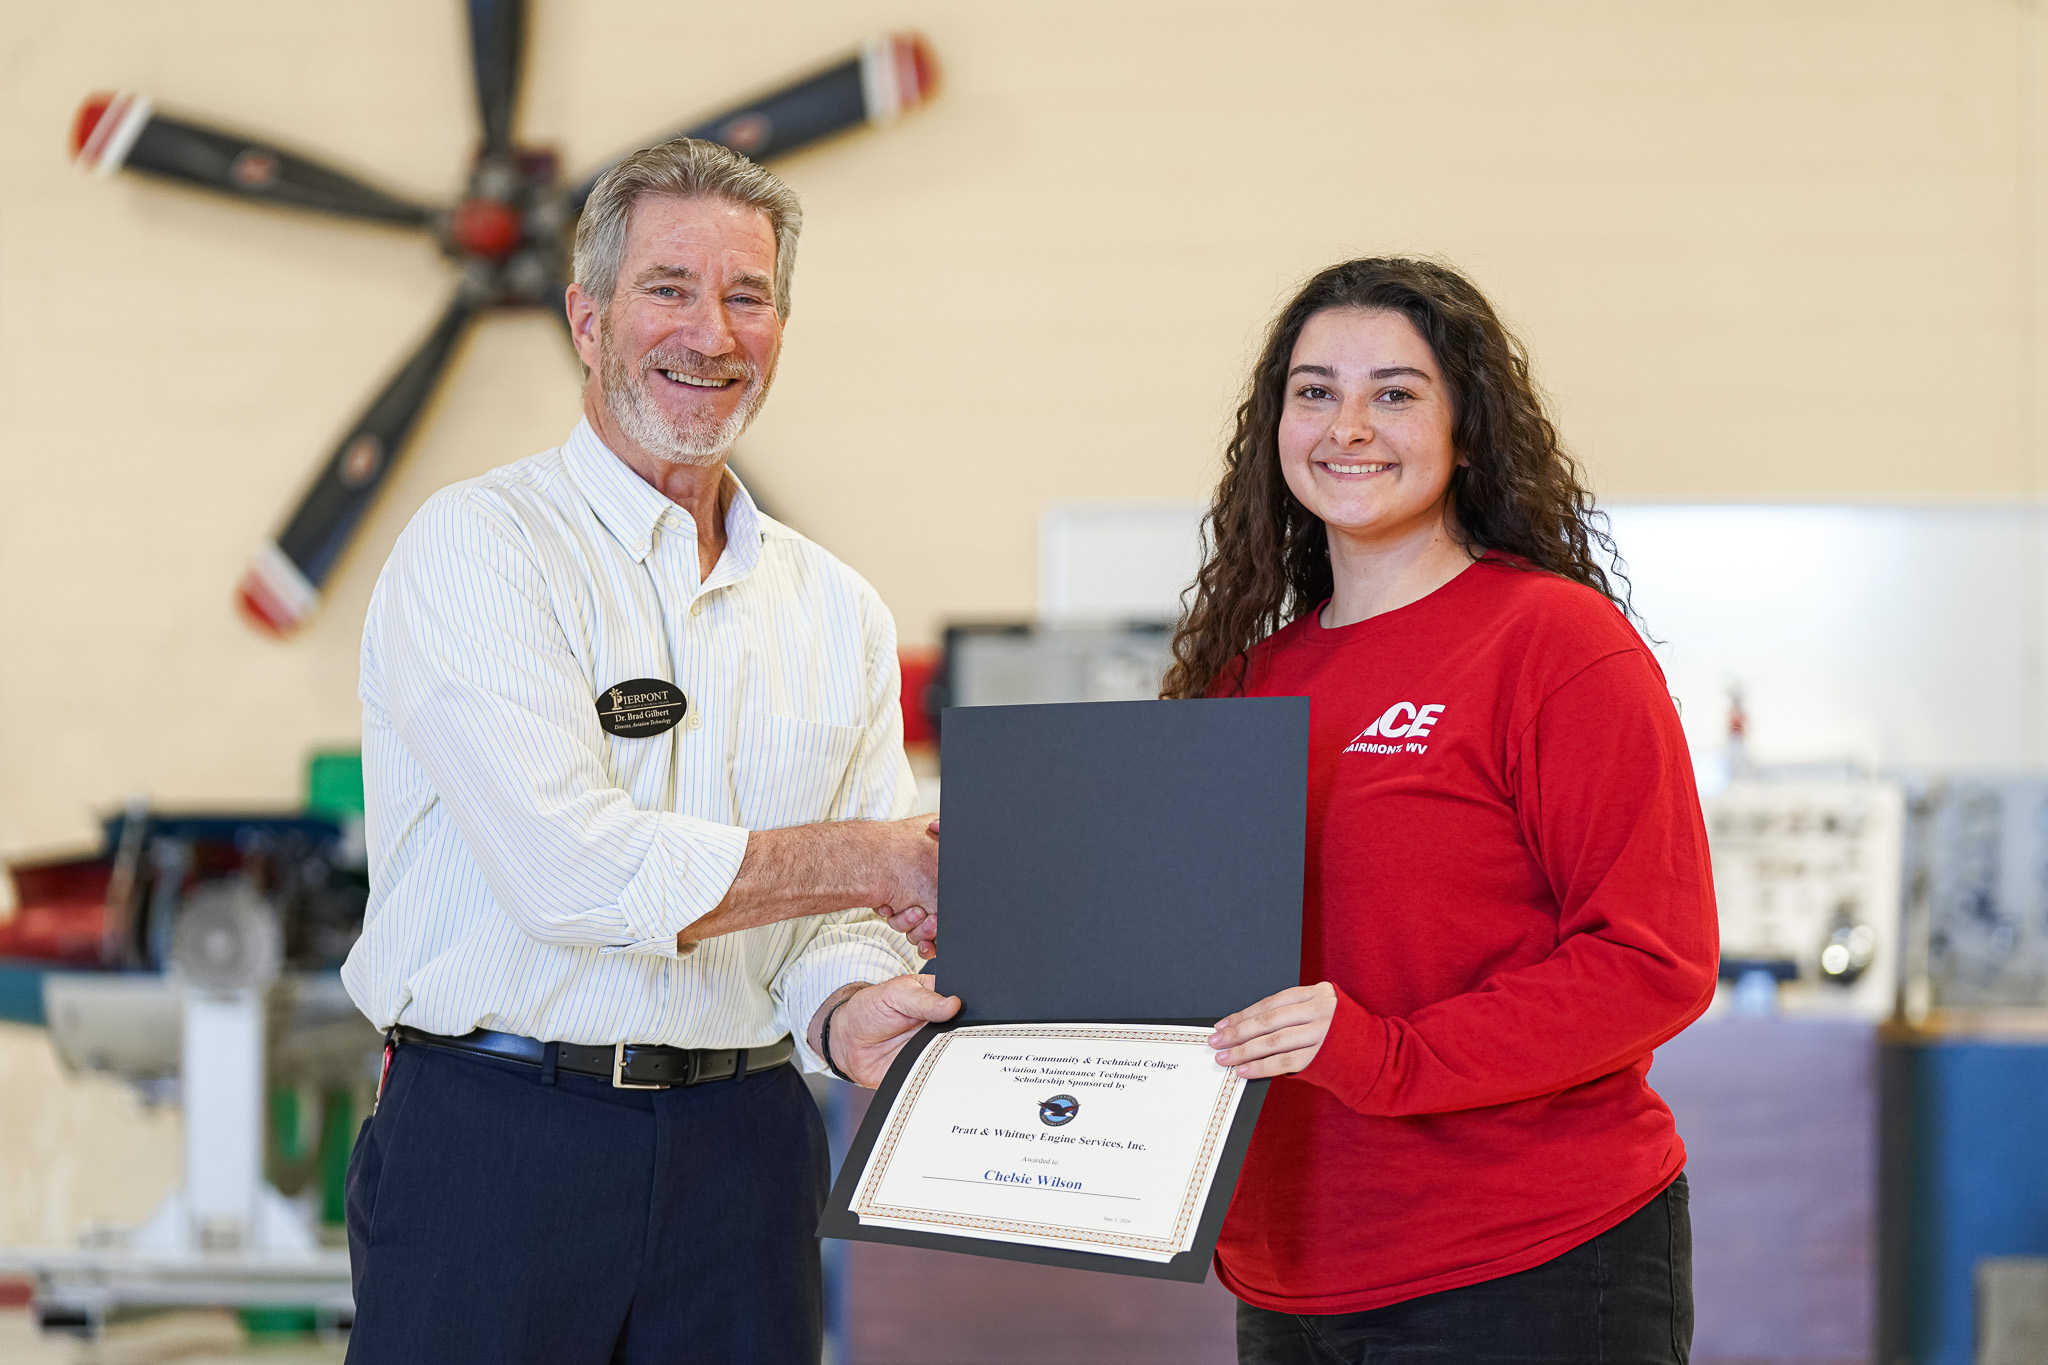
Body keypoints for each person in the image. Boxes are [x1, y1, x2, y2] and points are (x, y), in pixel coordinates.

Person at [339, 138, 960, 1364]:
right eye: (669, 288)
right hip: (498, 1139)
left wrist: (845, 1008)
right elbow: (571, 873)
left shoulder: (838, 609)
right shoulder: (479, 549)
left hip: (747, 1153)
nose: (710, 334)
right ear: (588, 317)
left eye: (748, 296)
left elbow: (835, 923)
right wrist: (871, 860)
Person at [1169, 258, 1719, 1364]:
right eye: (1313, 391)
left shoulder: (1553, 645)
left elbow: (1649, 960)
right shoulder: (1242, 681)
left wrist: (1387, 1054)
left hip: (1524, 1258)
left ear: (1465, 431)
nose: (1347, 426)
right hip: (1287, 1269)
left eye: (1396, 392)